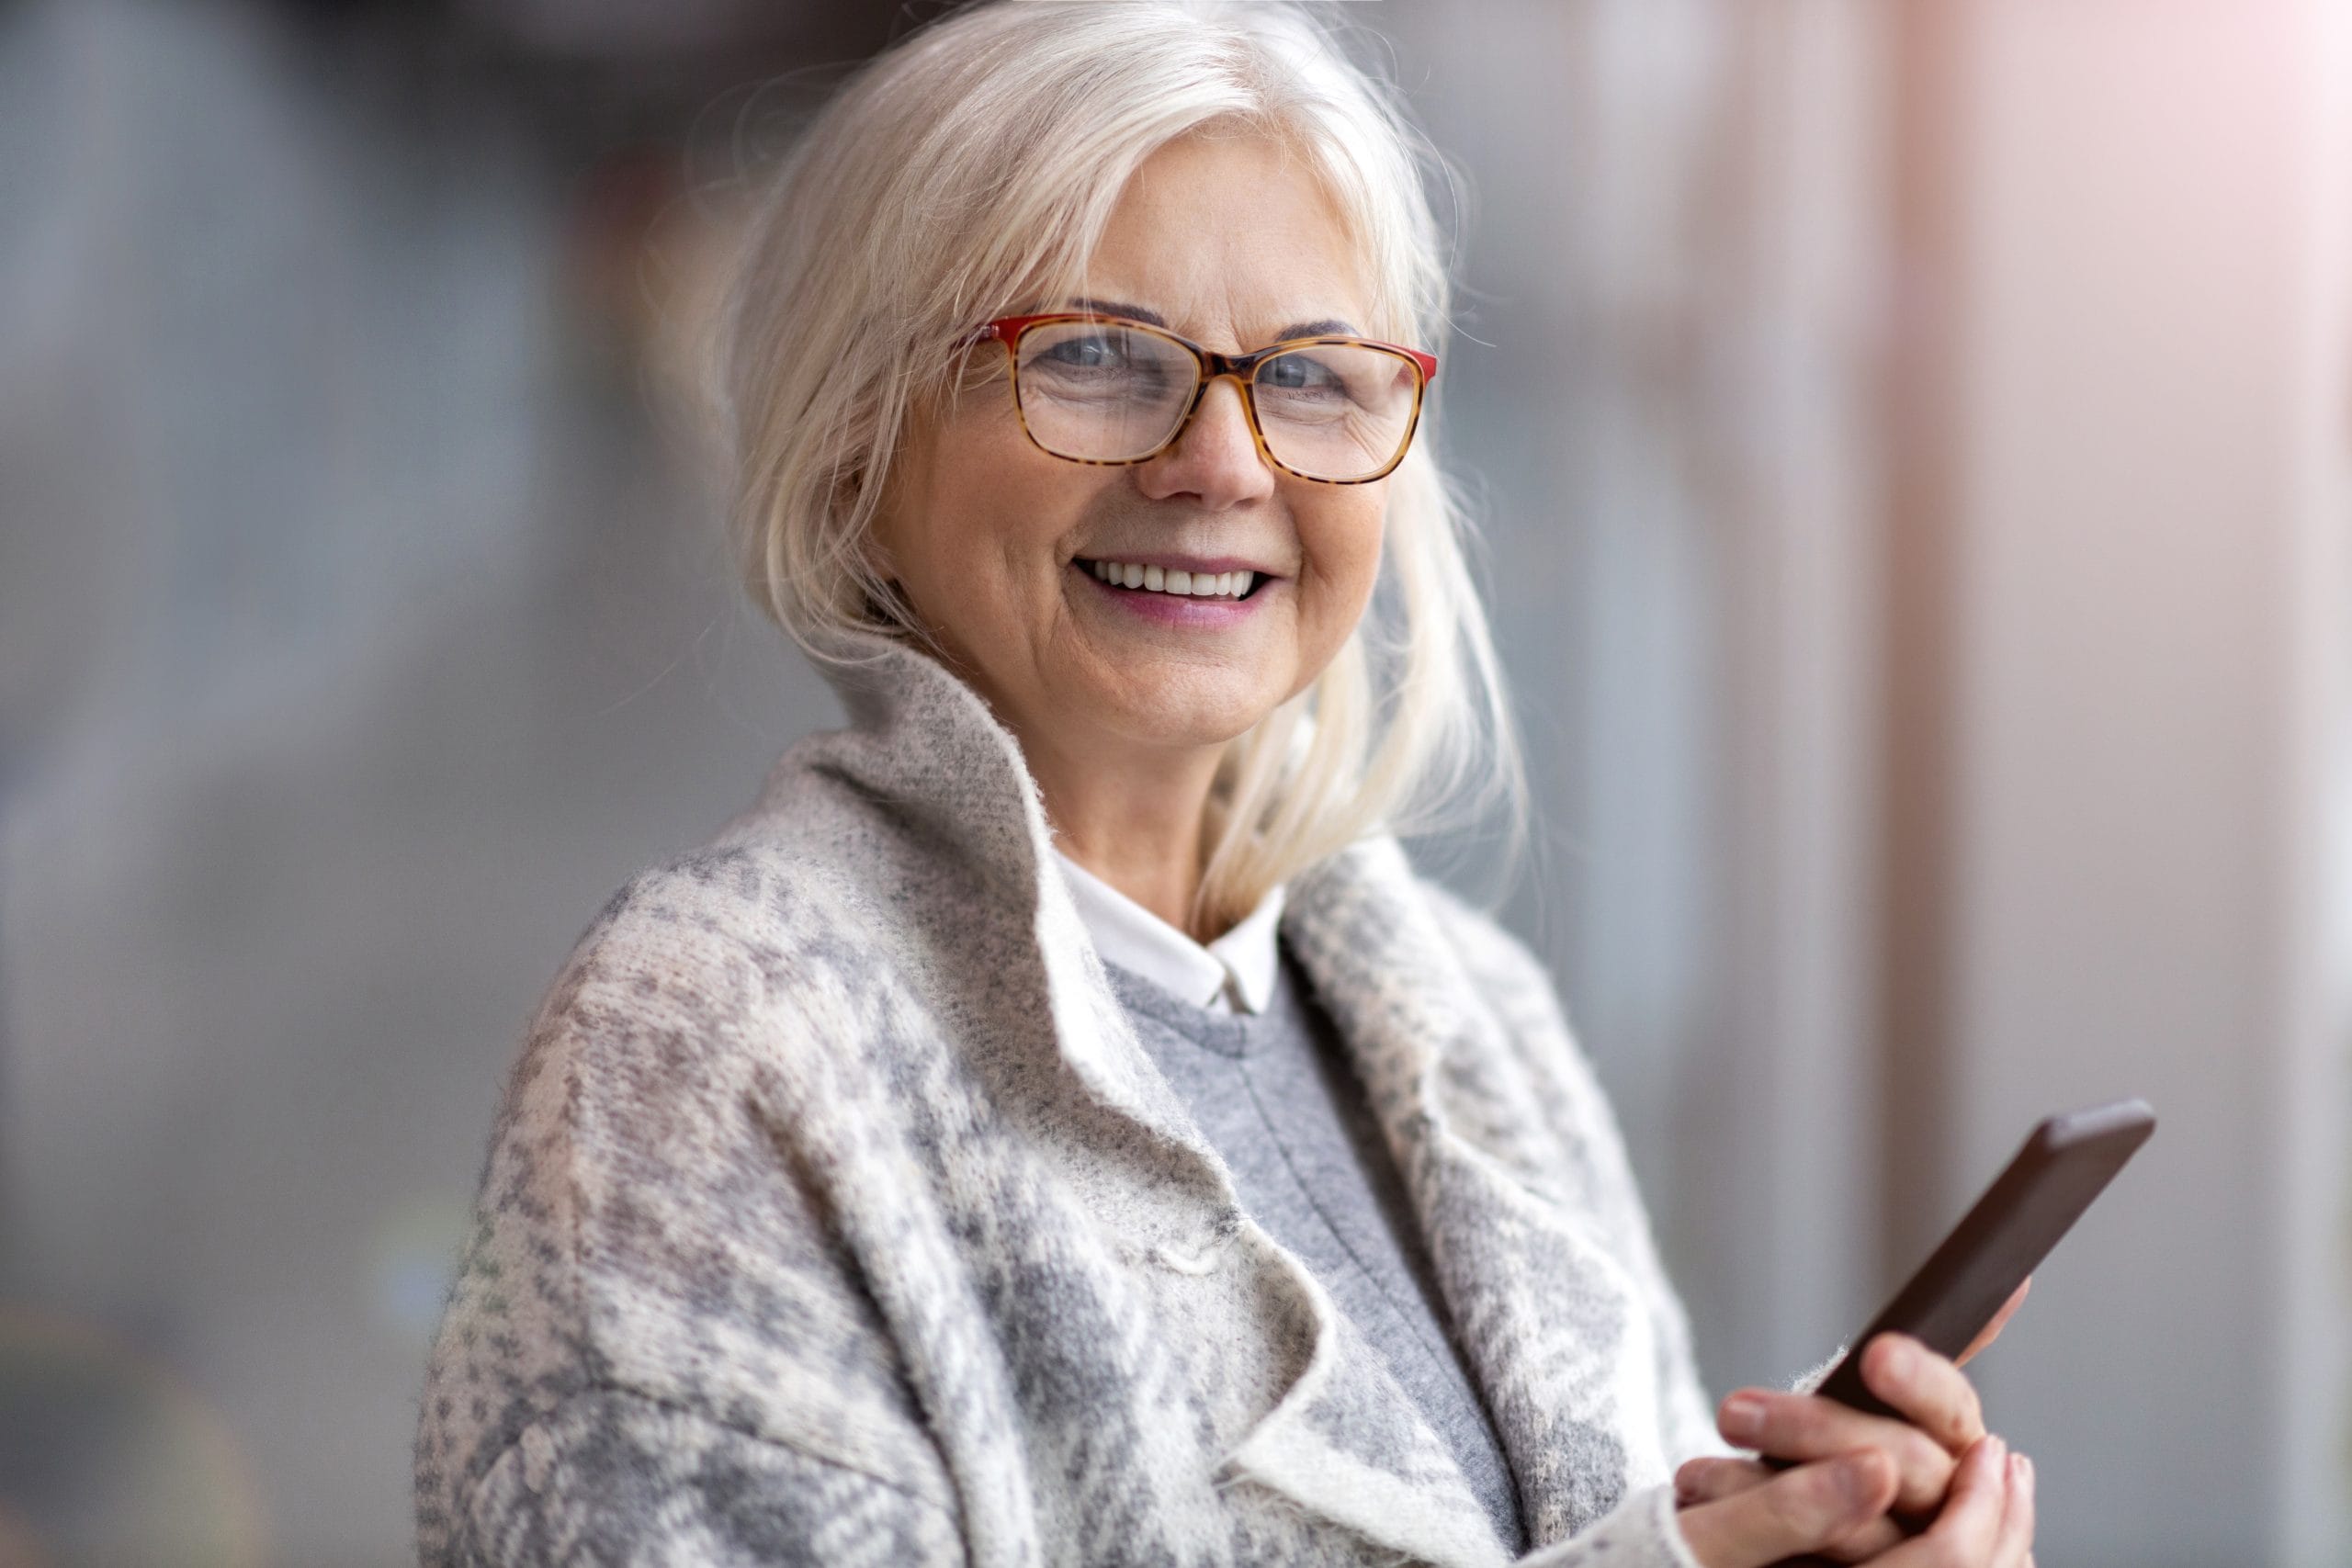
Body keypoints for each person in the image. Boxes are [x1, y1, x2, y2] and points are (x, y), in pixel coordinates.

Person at [412, 4, 2038, 1564]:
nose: (1226, 464)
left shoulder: (1475, 1025)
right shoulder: (711, 1041)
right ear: (858, 435)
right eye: (1103, 356)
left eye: (1319, 375)